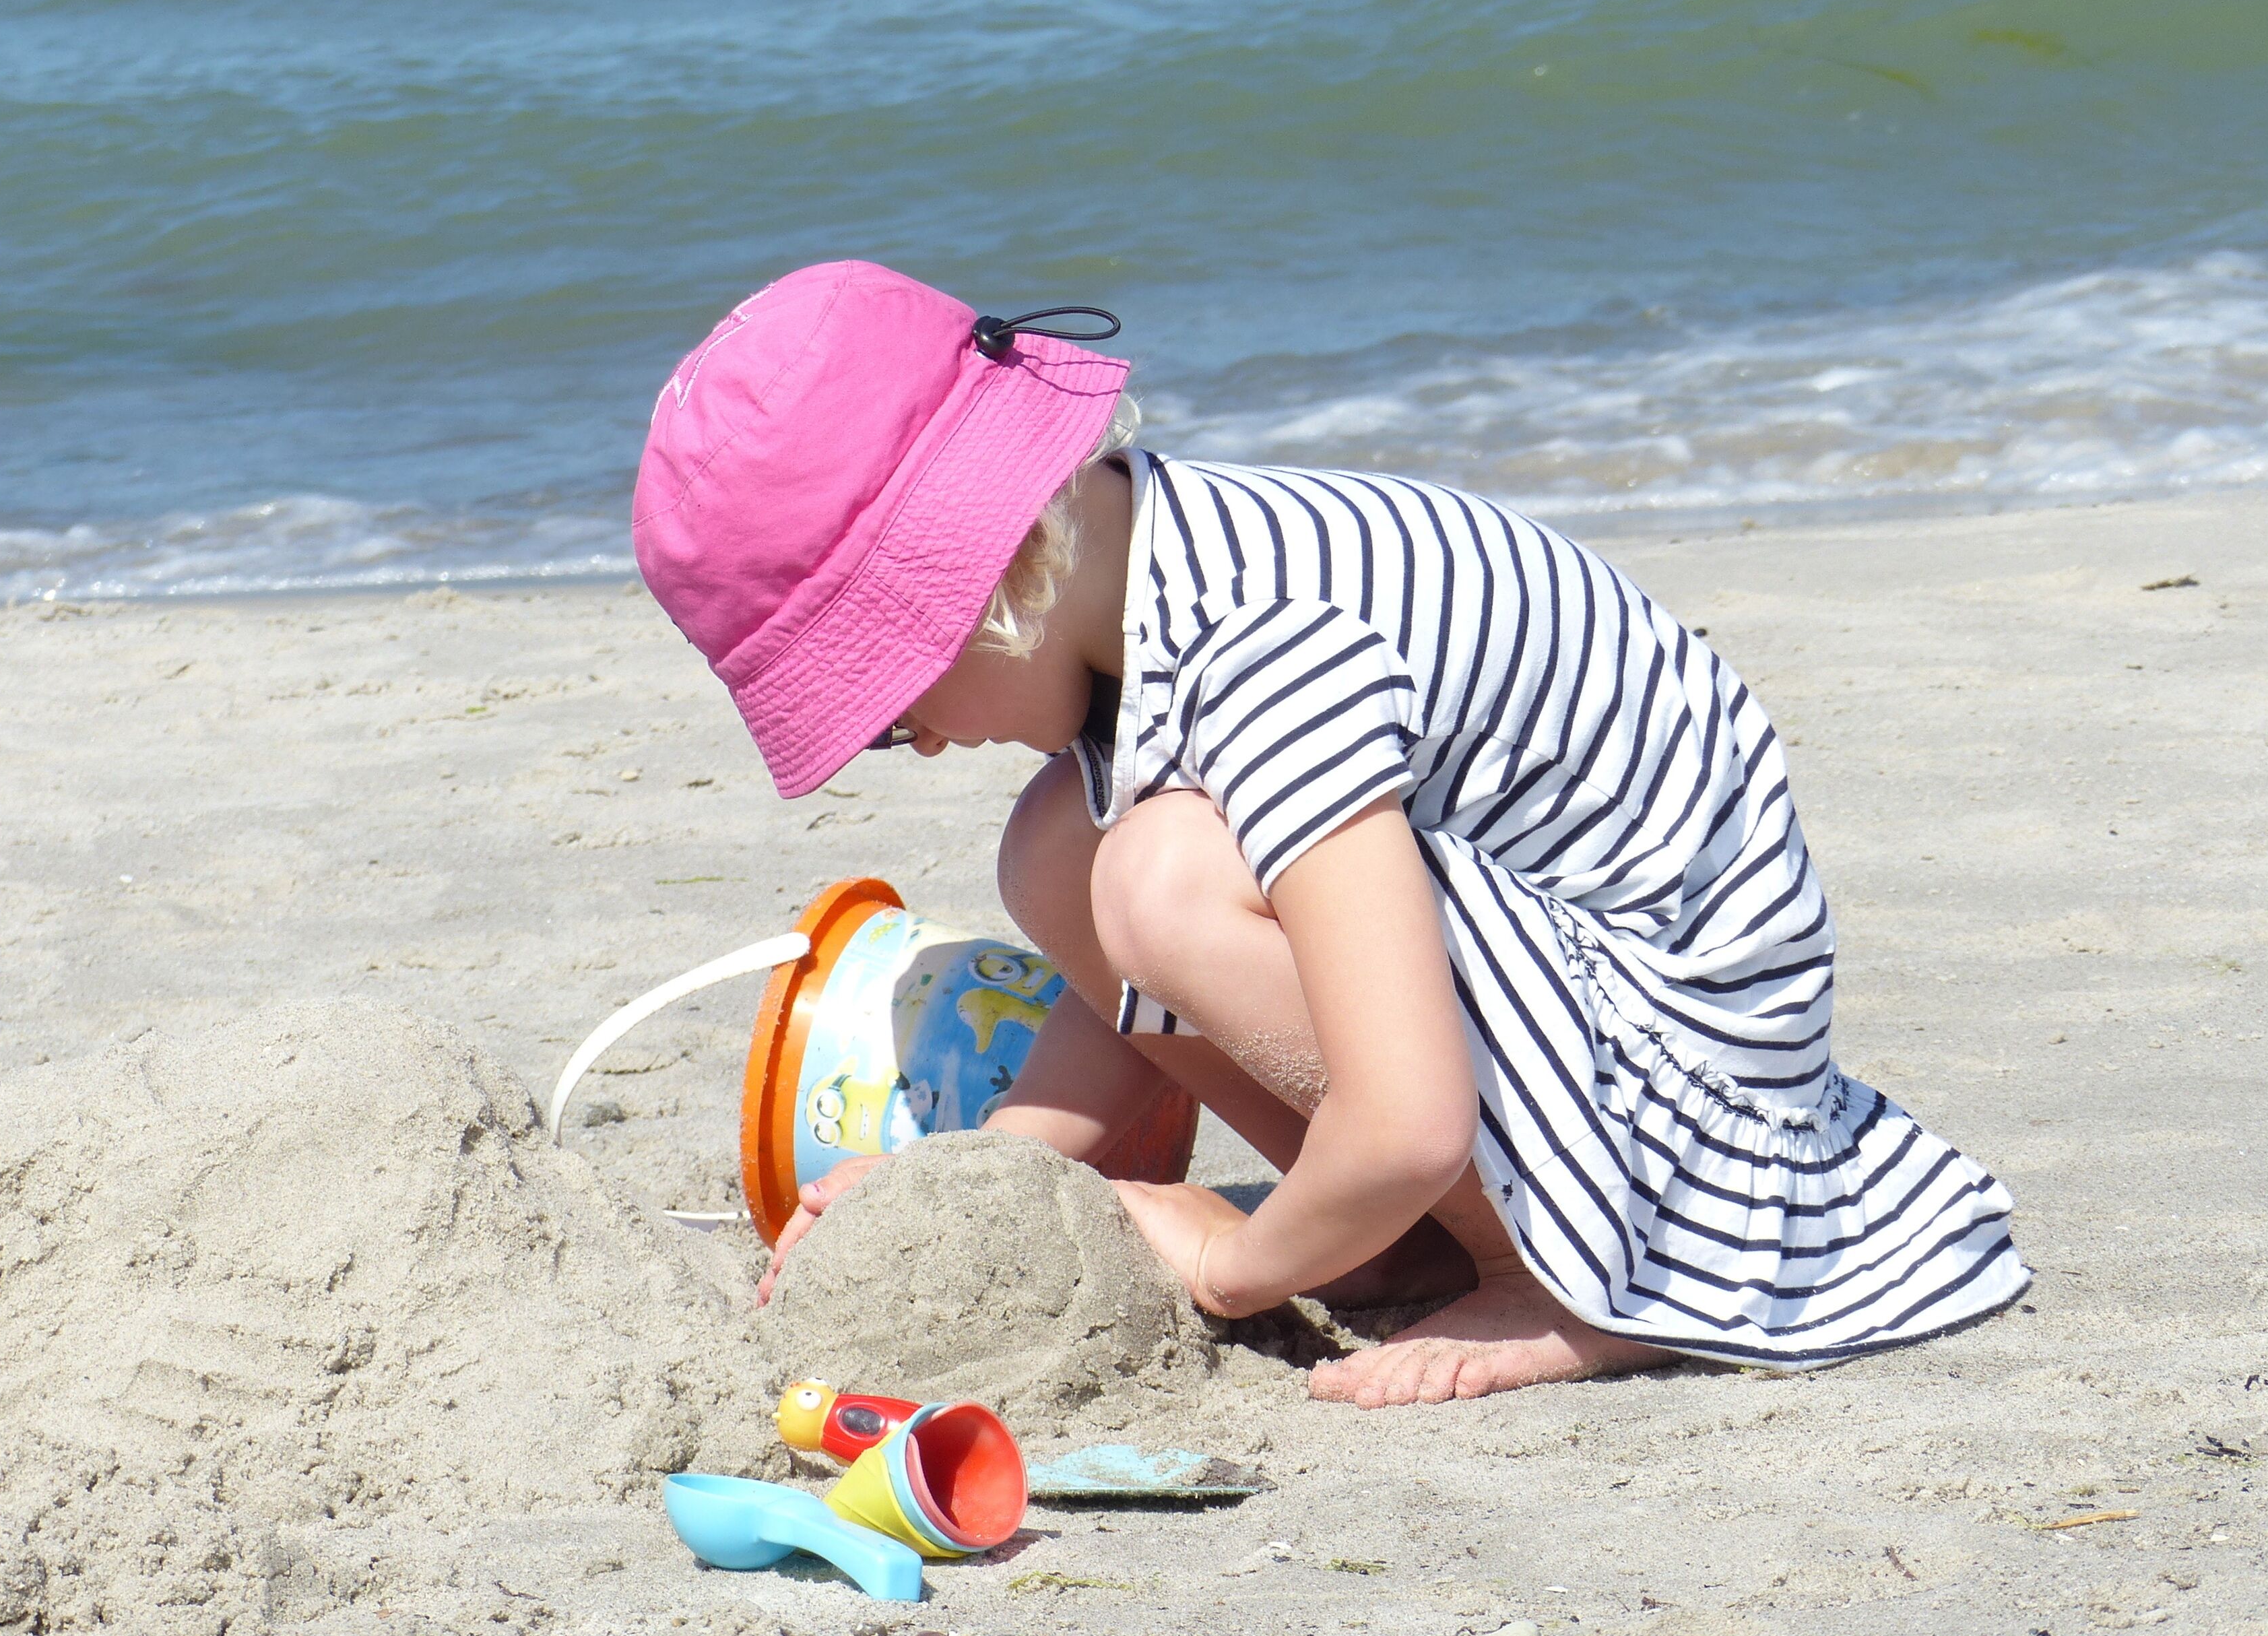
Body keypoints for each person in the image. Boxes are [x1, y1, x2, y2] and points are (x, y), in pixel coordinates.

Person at [630, 260, 2030, 1409]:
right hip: (1585, 1036)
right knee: (1062, 849)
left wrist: (1236, 1262)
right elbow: (1114, 1022)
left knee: (1162, 878)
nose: (916, 744)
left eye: (886, 709)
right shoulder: (1150, 585)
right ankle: (1407, 1238)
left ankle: (1562, 1279)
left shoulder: (1266, 647)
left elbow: (1411, 1112)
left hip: (1697, 1102)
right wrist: (972, 1181)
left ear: (980, 588)